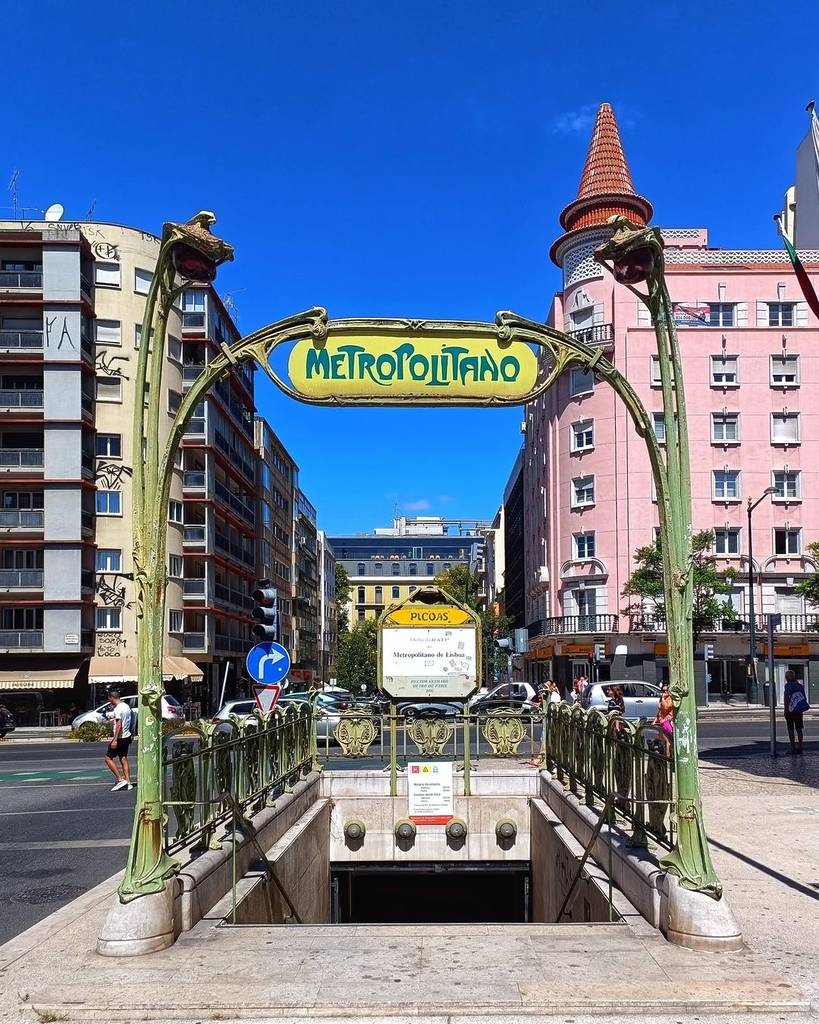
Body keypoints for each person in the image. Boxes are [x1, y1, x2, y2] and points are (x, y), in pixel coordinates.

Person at [103, 689, 134, 792]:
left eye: (109, 699)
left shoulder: (118, 709)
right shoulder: (126, 706)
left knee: (108, 758)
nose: (109, 701)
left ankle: (120, 779)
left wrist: (115, 740)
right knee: (123, 758)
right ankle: (128, 782)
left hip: (120, 737)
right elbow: (131, 720)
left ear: (112, 698)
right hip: (127, 736)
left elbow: (119, 725)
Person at [783, 669, 809, 755]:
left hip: (790, 711)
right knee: (799, 729)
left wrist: (786, 710)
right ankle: (800, 747)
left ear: (788, 678)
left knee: (791, 729)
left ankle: (793, 748)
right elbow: (804, 697)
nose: (786, 678)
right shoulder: (800, 686)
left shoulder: (787, 686)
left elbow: (786, 698)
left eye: (786, 676)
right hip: (798, 710)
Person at [654, 680, 674, 754]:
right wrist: (655, 720)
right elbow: (660, 711)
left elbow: (666, 707)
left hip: (667, 720)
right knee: (661, 739)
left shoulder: (669, 698)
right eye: (663, 690)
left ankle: (668, 757)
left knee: (667, 741)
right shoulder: (662, 698)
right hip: (662, 721)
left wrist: (663, 698)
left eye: (666, 690)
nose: (665, 692)